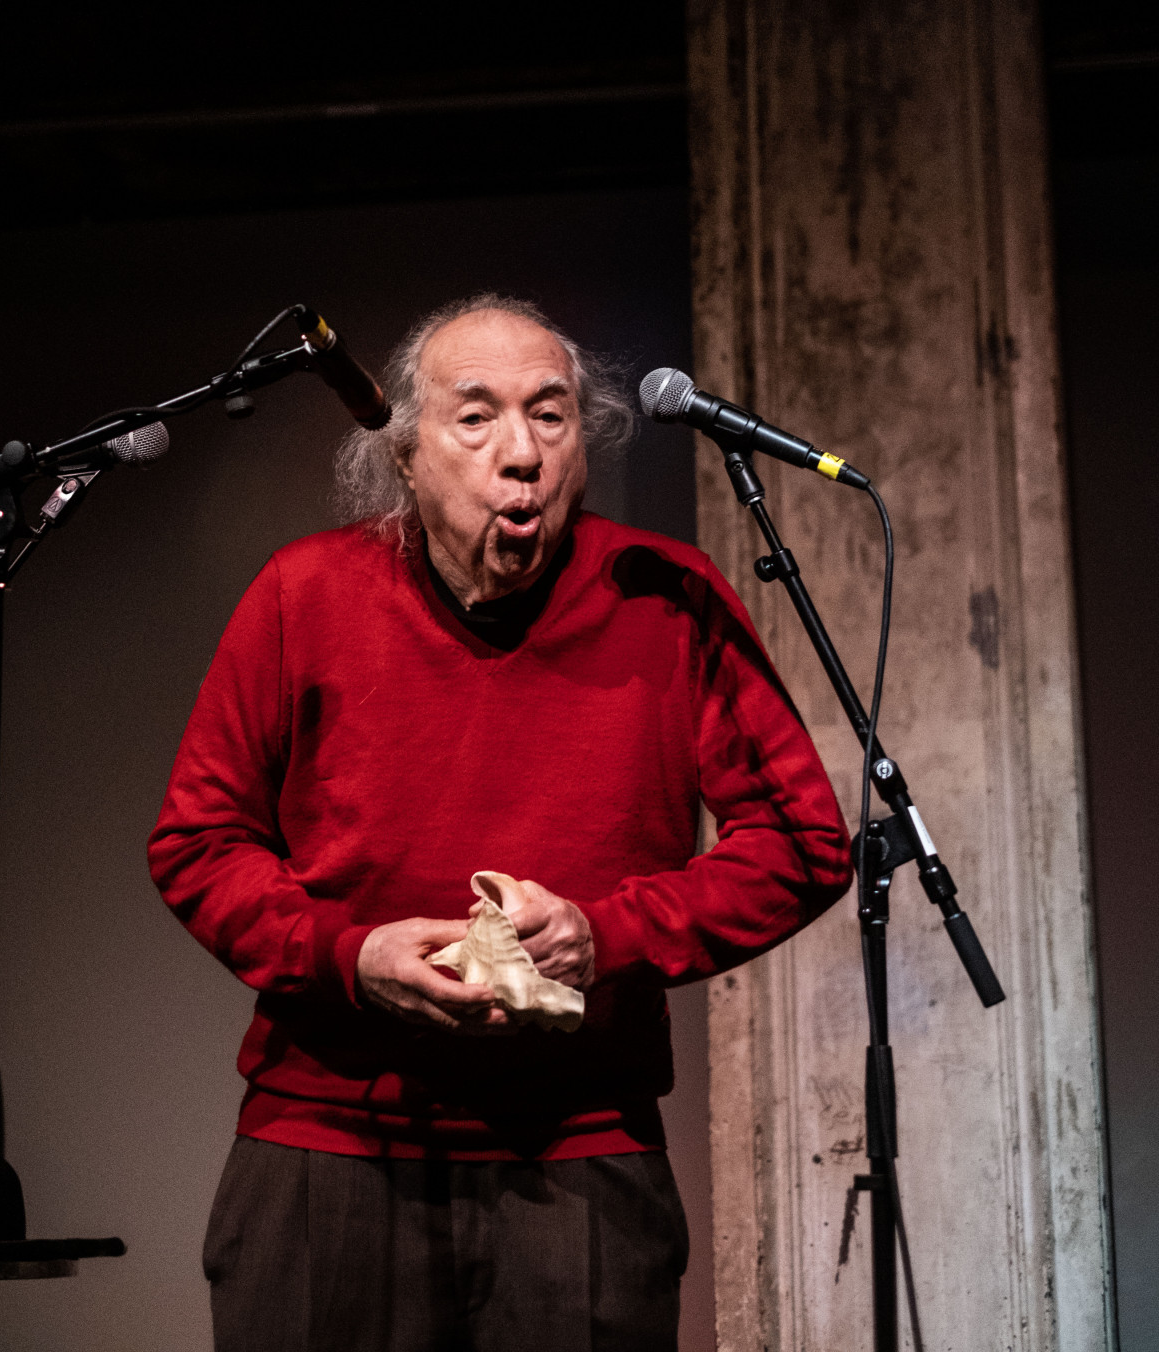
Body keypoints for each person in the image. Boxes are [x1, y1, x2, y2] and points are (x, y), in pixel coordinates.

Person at [148, 293, 852, 1352]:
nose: (518, 453)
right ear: (404, 456)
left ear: (582, 445)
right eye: (474, 418)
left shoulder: (663, 598)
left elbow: (802, 843)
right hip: (329, 1144)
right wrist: (348, 957)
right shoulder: (303, 596)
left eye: (550, 416)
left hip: (577, 1155)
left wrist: (604, 937)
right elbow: (197, 842)